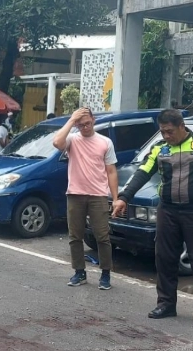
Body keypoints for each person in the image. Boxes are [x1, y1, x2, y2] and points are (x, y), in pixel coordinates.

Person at [112, 109, 193, 327]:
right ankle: (166, 304)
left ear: (181, 126)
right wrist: (123, 197)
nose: (166, 136)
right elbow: (142, 172)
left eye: (169, 132)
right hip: (168, 211)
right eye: (162, 132)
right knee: (165, 259)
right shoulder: (160, 148)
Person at [53, 107, 118, 290]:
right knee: (75, 236)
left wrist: (115, 198)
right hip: (75, 193)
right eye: (80, 125)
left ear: (94, 120)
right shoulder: (72, 140)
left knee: (102, 236)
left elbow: (111, 171)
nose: (85, 128)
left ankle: (105, 273)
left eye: (87, 123)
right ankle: (79, 272)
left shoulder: (105, 142)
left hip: (98, 194)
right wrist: (71, 120)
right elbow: (57, 142)